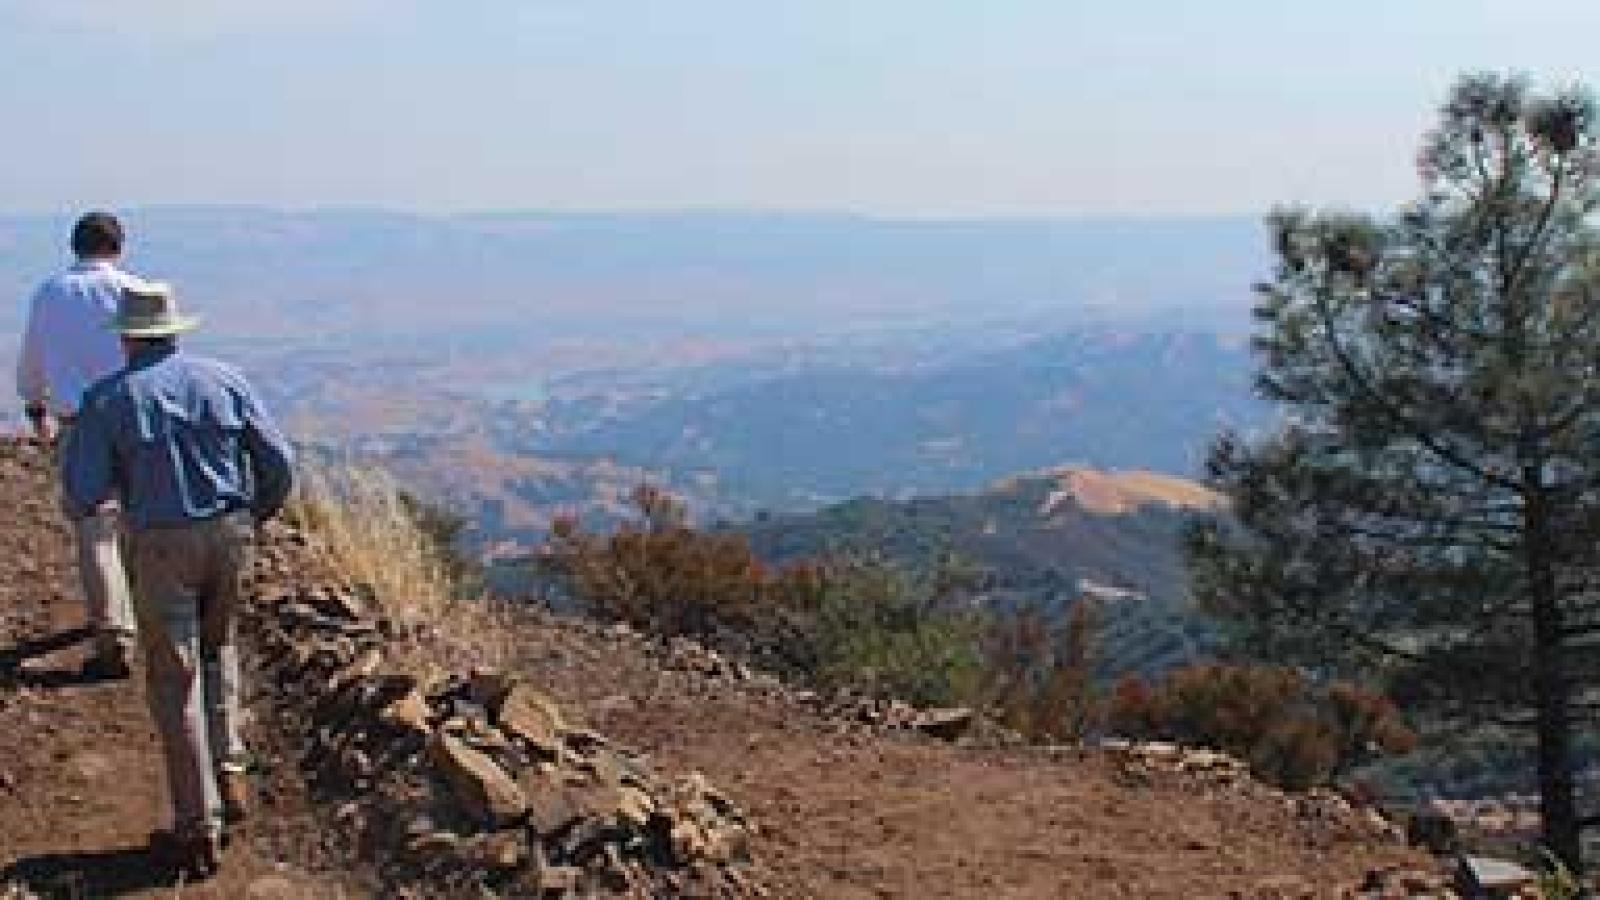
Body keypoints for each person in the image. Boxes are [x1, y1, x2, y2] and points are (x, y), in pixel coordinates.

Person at [61, 280, 294, 877]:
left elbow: (83, 494)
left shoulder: (107, 400)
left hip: (160, 543)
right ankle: (231, 769)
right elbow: (279, 463)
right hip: (229, 532)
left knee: (174, 678)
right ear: (173, 330)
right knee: (219, 649)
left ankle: (197, 825)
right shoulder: (226, 380)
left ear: (128, 339)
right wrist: (253, 517)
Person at [16, 211, 142, 678]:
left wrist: (35, 405)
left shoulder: (50, 293)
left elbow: (31, 357)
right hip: (134, 419)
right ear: (119, 246)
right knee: (138, 518)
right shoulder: (134, 291)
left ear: (74, 246)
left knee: (95, 526)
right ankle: (145, 613)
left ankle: (112, 632)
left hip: (80, 422)